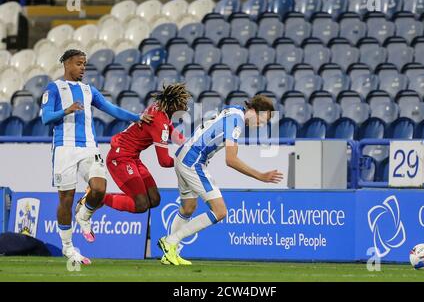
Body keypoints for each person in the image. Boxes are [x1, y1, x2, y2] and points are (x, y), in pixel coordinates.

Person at [41, 49, 152, 265]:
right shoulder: (54, 88)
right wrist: (67, 110)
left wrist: (136, 117)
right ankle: (68, 247)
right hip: (64, 148)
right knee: (66, 199)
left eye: (84, 64)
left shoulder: (89, 90)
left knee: (99, 188)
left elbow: (111, 108)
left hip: (89, 147)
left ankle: (84, 215)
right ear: (67, 64)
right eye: (79, 64)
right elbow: (46, 118)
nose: (83, 68)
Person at [158, 95, 284, 265]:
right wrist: (260, 176)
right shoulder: (236, 121)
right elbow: (231, 160)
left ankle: (169, 254)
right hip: (193, 161)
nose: (262, 124)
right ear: (254, 111)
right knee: (220, 211)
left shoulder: (235, 111)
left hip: (183, 155)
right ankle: (171, 241)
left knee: (188, 208)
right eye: (263, 119)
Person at [100, 83, 190, 213]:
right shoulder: (159, 122)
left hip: (132, 157)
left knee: (154, 199)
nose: (185, 107)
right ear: (172, 106)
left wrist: (192, 144)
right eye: (182, 104)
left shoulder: (161, 109)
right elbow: (164, 161)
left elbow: (173, 133)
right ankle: (98, 198)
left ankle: (103, 198)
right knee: (141, 205)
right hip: (120, 158)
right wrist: (185, 161)